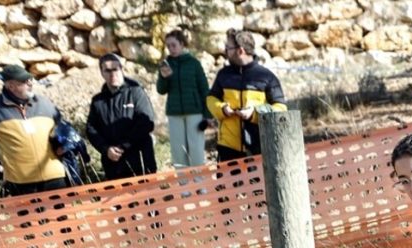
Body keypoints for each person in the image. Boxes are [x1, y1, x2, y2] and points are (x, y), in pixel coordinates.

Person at [0, 64, 68, 196]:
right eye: (24, 81)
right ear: (10, 86)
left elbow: (63, 130)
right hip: (20, 183)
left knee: (62, 217)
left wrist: (64, 145)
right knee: (28, 218)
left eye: (30, 79)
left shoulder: (44, 103)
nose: (30, 83)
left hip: (55, 178)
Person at [206, 29, 287, 162]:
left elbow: (281, 108)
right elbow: (210, 99)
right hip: (227, 147)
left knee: (257, 183)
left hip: (258, 147)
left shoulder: (267, 77)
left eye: (228, 48)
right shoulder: (223, 74)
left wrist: (255, 113)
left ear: (240, 51)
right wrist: (222, 109)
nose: (225, 51)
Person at [85, 54, 158, 180]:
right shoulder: (98, 101)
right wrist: (105, 149)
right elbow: (91, 129)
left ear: (121, 69)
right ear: (101, 73)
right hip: (113, 166)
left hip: (140, 163)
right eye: (107, 70)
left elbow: (147, 122)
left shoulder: (136, 92)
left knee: (147, 199)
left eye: (115, 69)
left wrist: (124, 145)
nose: (112, 74)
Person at [157, 29, 210, 168]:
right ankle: (184, 186)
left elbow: (204, 89)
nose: (171, 49)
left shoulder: (194, 63)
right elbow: (161, 90)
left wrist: (208, 115)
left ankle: (201, 185)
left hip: (194, 112)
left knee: (196, 150)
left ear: (181, 44)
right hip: (174, 113)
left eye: (173, 45)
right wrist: (164, 77)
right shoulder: (166, 64)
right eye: (168, 46)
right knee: (178, 151)